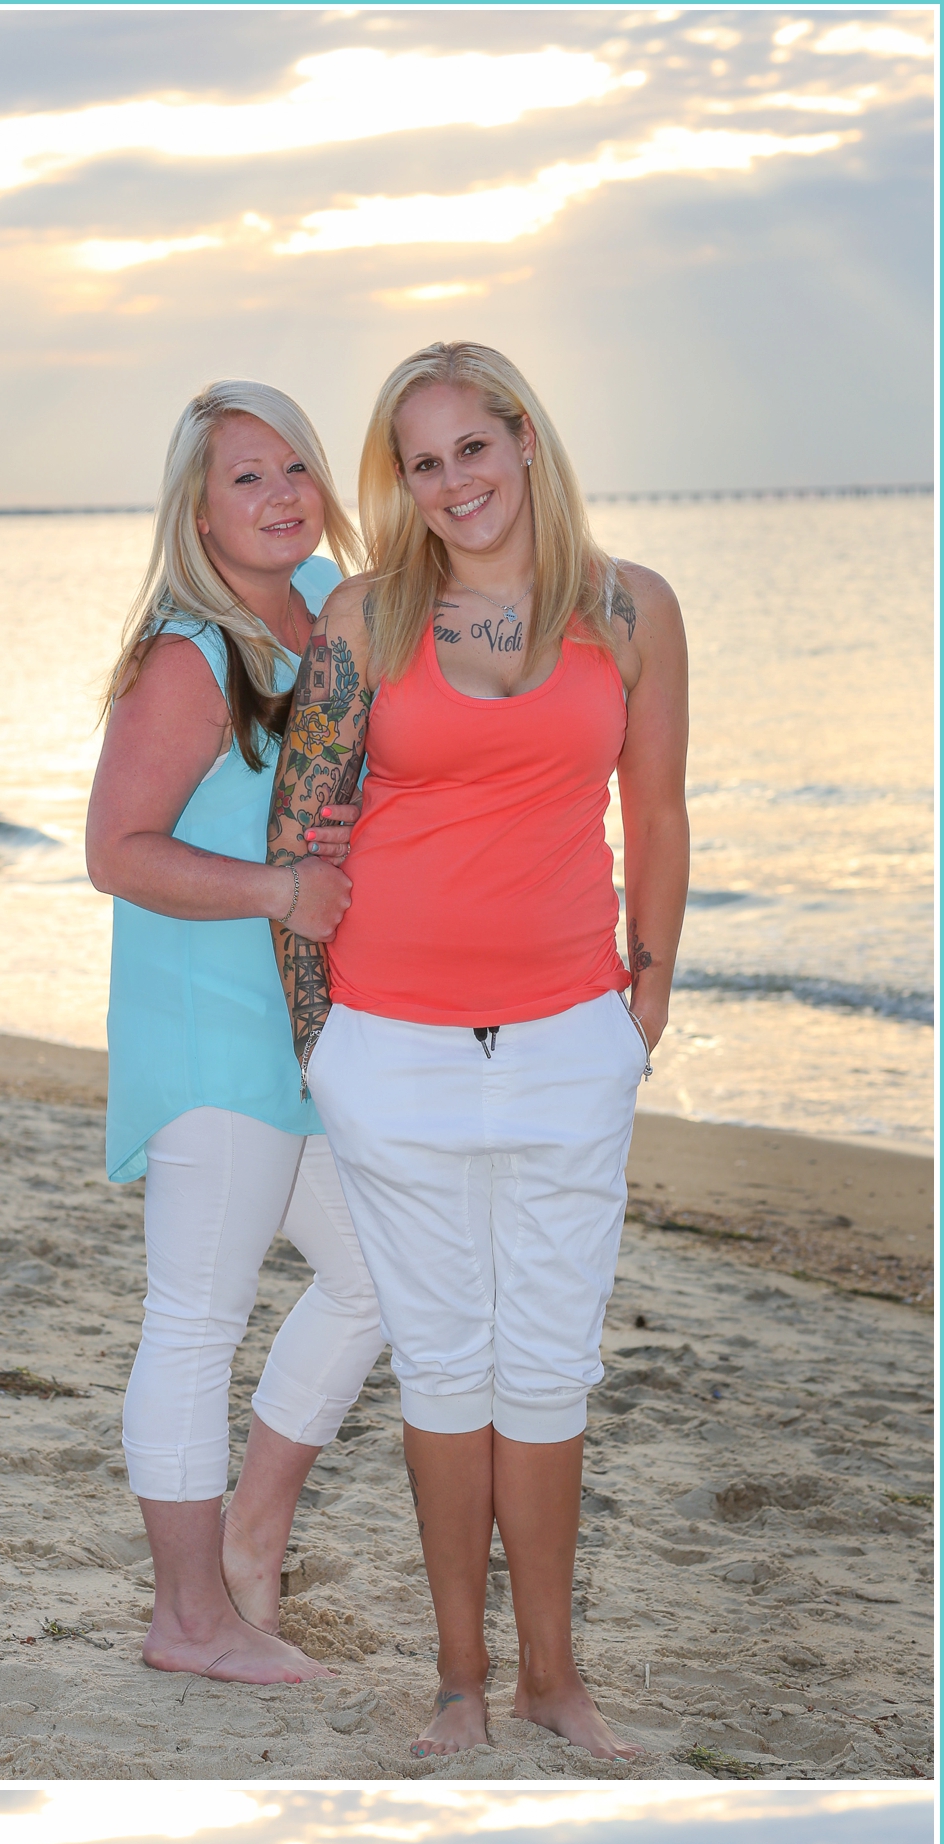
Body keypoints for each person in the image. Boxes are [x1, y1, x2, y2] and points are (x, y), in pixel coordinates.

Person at [266, 341, 690, 1760]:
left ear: (526, 438)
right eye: (424, 462)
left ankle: (554, 1678)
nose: (454, 484)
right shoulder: (366, 618)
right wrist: (321, 1036)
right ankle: (460, 1676)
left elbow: (661, 812)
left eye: (473, 448)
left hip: (572, 1040)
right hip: (392, 1046)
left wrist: (650, 990)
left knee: (549, 1369)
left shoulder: (631, 609)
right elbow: (302, 832)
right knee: (446, 1366)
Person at [86, 381, 384, 1687]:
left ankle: (253, 1541)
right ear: (196, 513)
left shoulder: (321, 602)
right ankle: (188, 1617)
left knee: (386, 1273)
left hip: (303, 1033)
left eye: (295, 469)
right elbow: (116, 850)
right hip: (210, 1030)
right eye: (246, 479)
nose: (279, 496)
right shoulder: (190, 654)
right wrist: (278, 890)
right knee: (196, 1318)